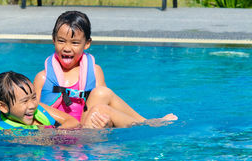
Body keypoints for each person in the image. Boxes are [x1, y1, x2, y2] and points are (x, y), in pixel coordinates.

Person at [33, 10, 178, 128]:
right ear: (53, 40)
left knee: (102, 94)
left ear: (87, 44)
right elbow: (32, 114)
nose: (67, 48)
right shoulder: (43, 78)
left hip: (85, 129)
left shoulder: (95, 71)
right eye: (61, 41)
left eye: (75, 43)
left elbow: (105, 109)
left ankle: (146, 122)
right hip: (60, 132)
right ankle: (146, 125)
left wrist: (105, 122)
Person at [0, 71, 104, 131]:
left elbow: (71, 121)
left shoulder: (38, 108)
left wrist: (56, 133)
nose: (32, 105)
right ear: (3, 107)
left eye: (34, 97)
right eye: (25, 101)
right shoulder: (10, 133)